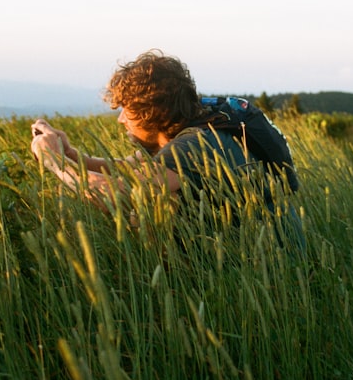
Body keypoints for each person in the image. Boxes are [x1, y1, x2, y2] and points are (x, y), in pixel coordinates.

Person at [30, 50, 303, 247]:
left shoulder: (194, 147)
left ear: (151, 113)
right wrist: (73, 155)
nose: (121, 119)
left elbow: (122, 195)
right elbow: (130, 168)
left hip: (266, 269)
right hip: (270, 253)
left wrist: (54, 162)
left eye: (128, 110)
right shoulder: (201, 124)